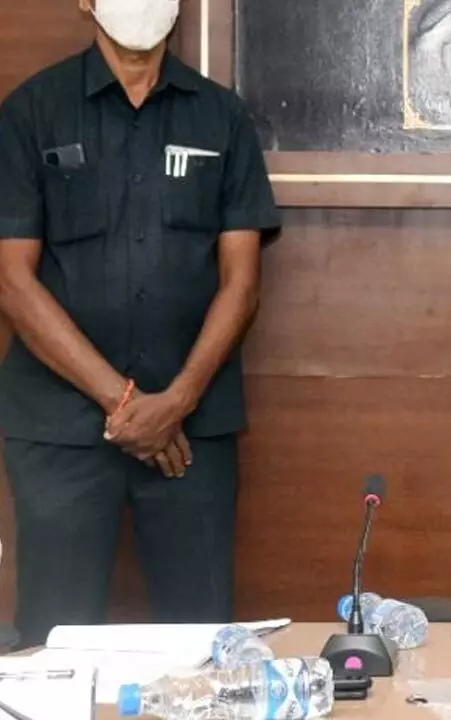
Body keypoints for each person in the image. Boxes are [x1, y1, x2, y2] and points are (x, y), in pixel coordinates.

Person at [0, 0, 280, 648]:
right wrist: (125, 403)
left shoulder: (222, 117)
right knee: (54, 642)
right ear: (86, 1)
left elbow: (242, 284)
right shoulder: (29, 113)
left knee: (201, 644)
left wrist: (174, 403)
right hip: (58, 433)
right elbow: (13, 282)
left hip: (191, 432)